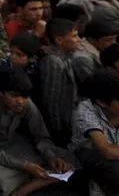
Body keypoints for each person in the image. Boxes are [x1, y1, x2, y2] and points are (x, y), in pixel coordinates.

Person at [0, 69, 72, 196]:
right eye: (14, 96)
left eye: (24, 96)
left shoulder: (26, 103)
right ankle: (37, 182)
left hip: (15, 144)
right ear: (1, 93)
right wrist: (25, 166)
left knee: (67, 159)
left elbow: (40, 135)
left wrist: (50, 157)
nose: (20, 101)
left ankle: (27, 187)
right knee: (1, 182)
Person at [39, 18, 80, 146]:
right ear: (59, 40)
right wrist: (57, 129)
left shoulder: (65, 57)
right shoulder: (53, 62)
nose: (78, 39)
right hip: (57, 127)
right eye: (74, 36)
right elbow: (51, 101)